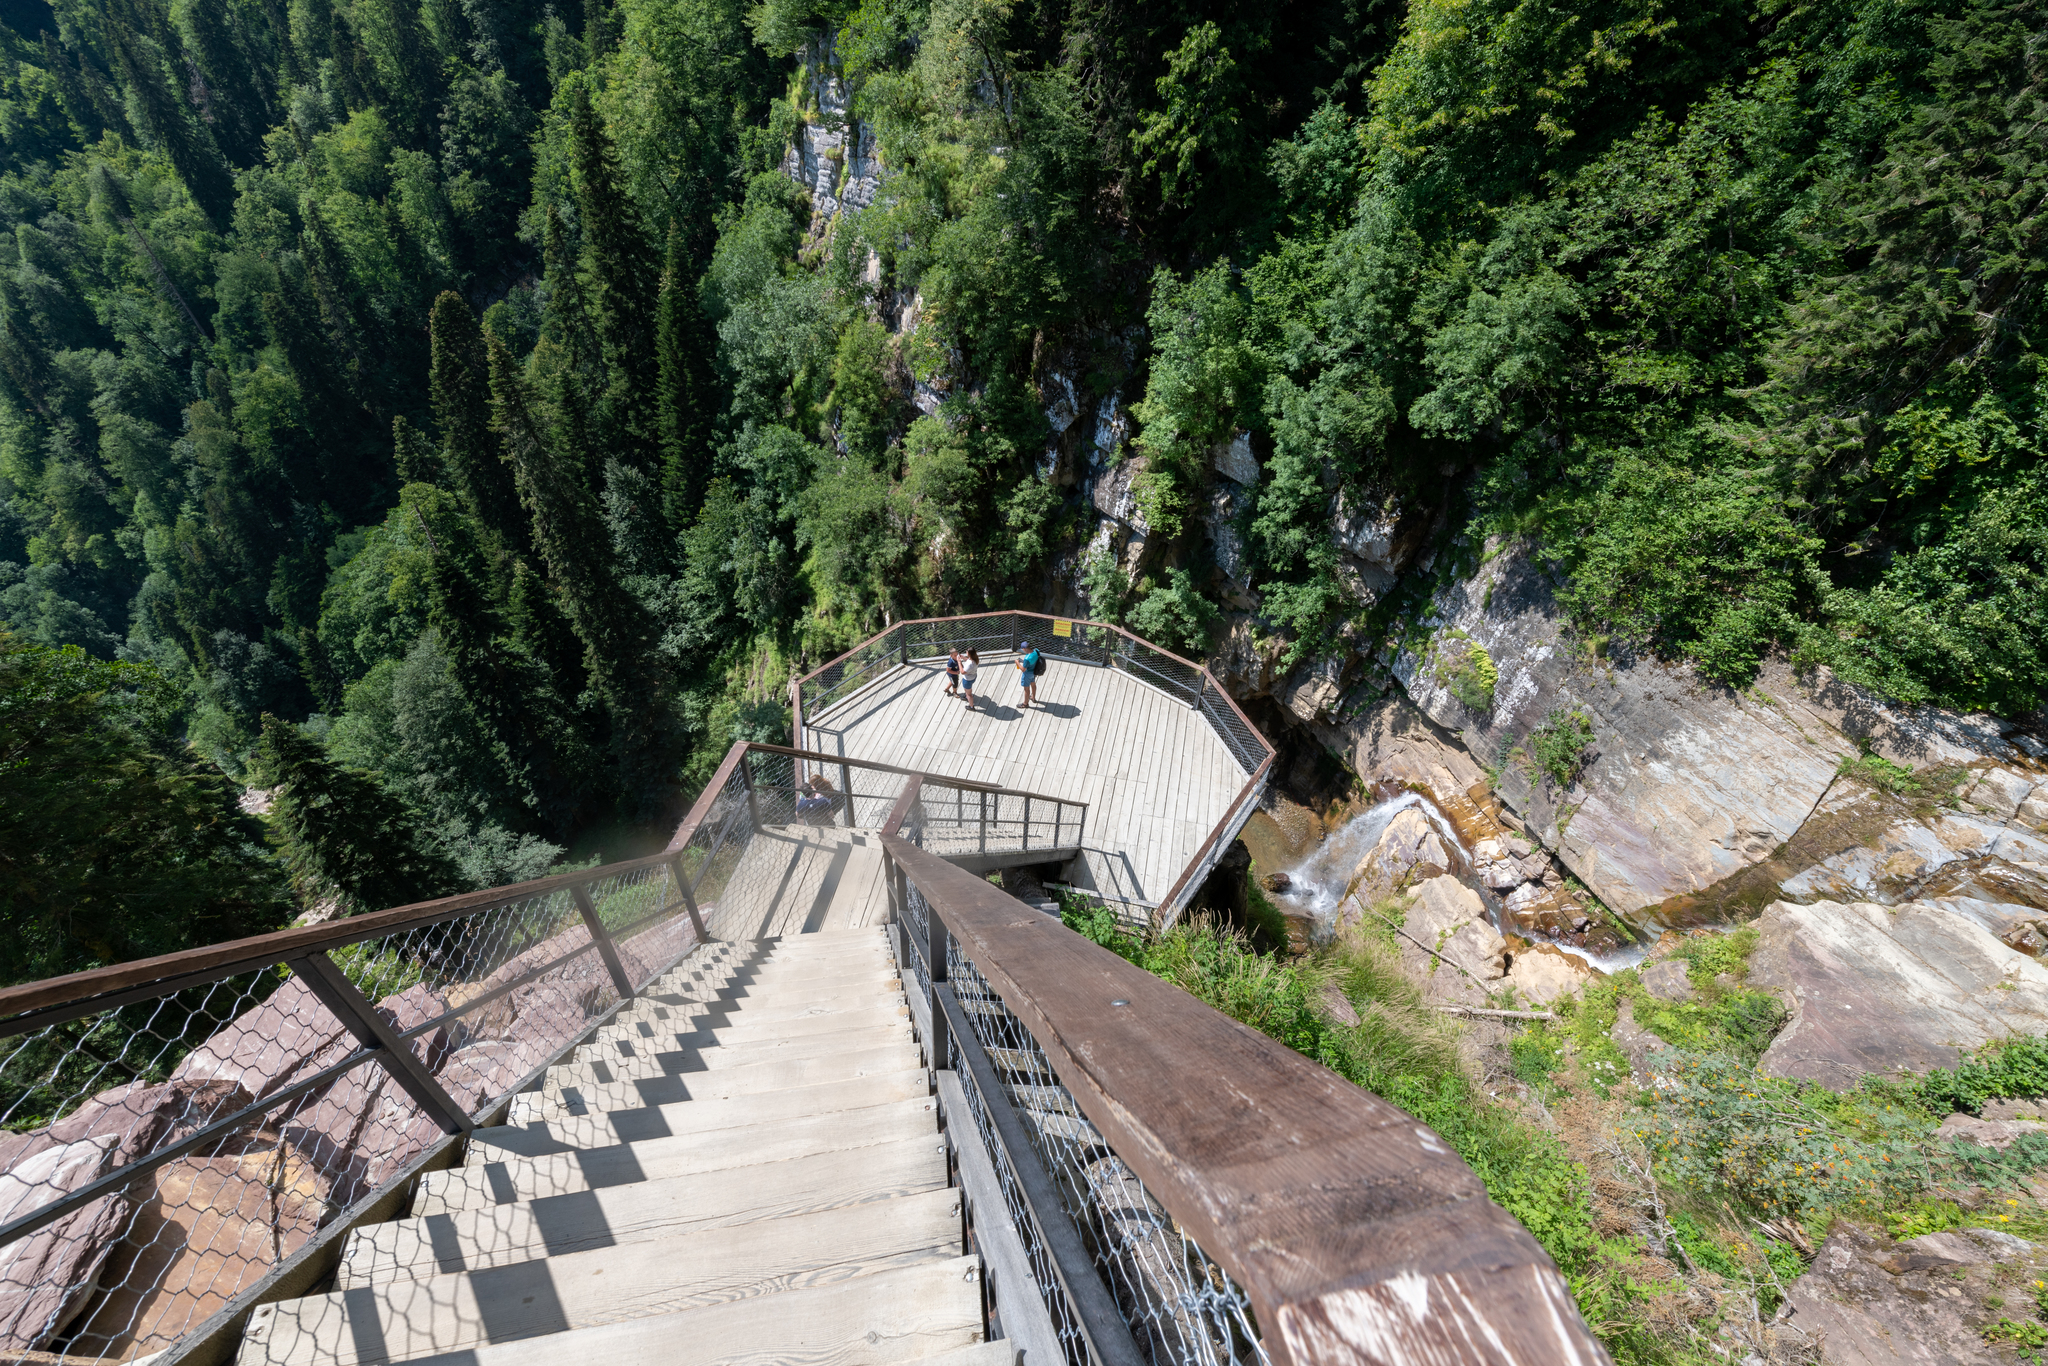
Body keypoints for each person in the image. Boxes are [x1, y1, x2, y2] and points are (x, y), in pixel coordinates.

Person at [1016, 639, 1044, 709]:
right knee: (1033, 684)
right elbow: (1033, 660)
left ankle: (1025, 704)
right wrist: (1023, 661)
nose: (1022, 650)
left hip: (1027, 674)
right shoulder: (1036, 651)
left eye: (1022, 649)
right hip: (1034, 672)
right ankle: (1033, 698)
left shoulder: (1027, 659)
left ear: (1024, 648)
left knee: (1026, 689)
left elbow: (1023, 669)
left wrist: (1017, 662)